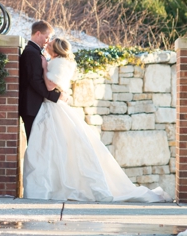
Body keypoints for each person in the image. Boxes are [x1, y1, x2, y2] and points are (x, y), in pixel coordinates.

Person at [23, 37, 164, 202]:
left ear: (55, 50)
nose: (47, 45)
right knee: (54, 149)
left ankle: (53, 188)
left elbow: (48, 86)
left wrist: (44, 67)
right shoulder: (59, 61)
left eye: (50, 44)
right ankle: (53, 186)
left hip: (53, 109)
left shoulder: (56, 63)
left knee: (53, 147)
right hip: (52, 106)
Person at [19, 20, 64, 139]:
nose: (48, 41)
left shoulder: (34, 51)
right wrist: (55, 95)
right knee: (35, 142)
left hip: (34, 106)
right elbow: (35, 81)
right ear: (38, 33)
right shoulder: (31, 53)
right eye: (46, 37)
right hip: (31, 106)